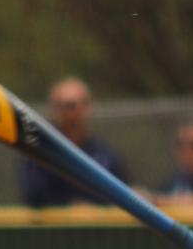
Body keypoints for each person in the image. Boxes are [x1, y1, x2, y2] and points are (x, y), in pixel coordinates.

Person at [19, 77, 131, 208]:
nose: (69, 113)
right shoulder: (39, 155)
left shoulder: (106, 155)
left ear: (88, 108)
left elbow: (122, 195)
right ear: (53, 110)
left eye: (73, 106)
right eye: (61, 106)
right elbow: (35, 198)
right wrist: (69, 208)